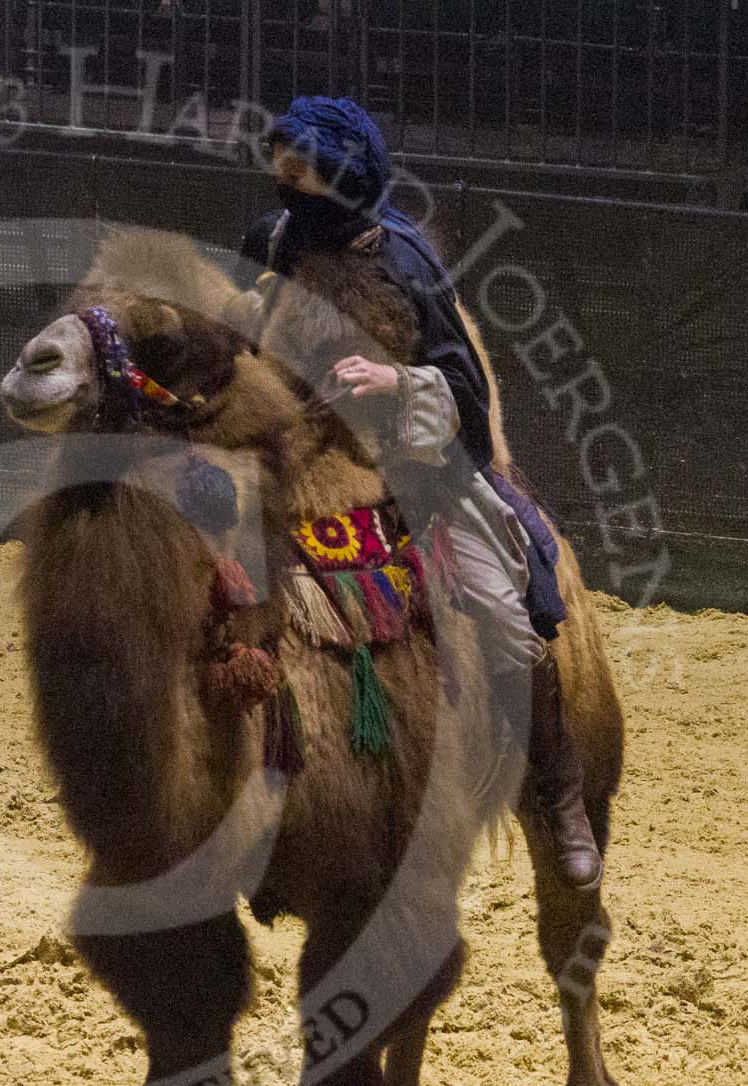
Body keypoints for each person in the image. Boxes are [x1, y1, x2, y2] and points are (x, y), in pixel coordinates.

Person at [242, 95, 603, 891]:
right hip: (297, 461)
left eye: (297, 173)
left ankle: (559, 794)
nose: (284, 188)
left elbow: (465, 393)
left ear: (338, 176)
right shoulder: (271, 244)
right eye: (278, 173)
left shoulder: (407, 262)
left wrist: (394, 380)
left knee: (508, 615)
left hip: (416, 468)